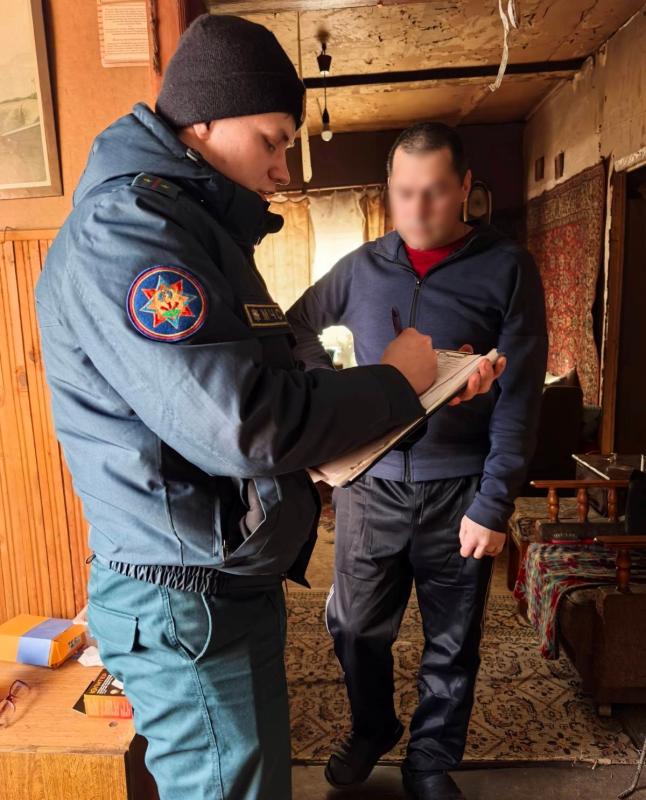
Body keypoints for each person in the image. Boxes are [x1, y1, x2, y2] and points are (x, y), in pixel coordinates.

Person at [34, 16, 501, 800]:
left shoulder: (195, 230)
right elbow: (244, 423)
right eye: (273, 141)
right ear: (205, 119)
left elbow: (253, 388)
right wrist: (394, 382)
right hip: (185, 591)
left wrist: (394, 399)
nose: (283, 169)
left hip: (218, 578)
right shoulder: (132, 230)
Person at [286, 122, 547, 800]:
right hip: (369, 487)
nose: (418, 208)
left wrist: (494, 502)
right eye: (404, 192)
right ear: (389, 189)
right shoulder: (362, 267)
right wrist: (333, 391)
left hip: (459, 489)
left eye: (434, 191)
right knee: (353, 628)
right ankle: (372, 727)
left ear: (465, 187)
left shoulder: (508, 268)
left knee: (452, 641)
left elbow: (521, 396)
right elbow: (295, 327)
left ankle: (430, 760)